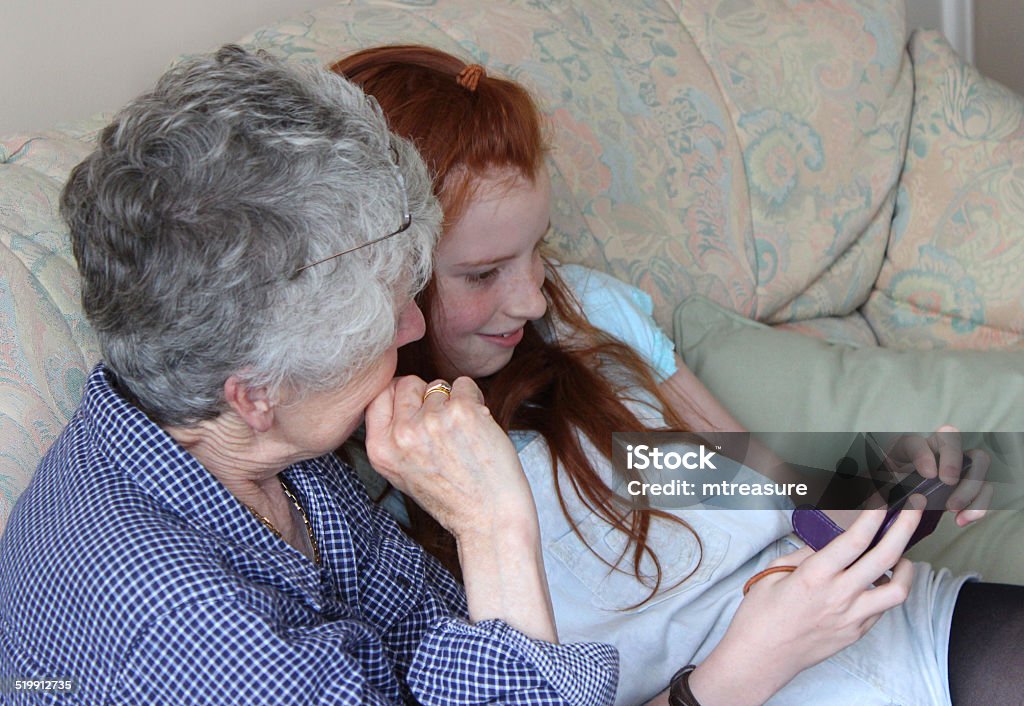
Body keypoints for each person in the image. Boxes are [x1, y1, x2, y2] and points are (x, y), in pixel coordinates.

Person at [331, 45, 1023, 706]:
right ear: (392, 278)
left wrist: (893, 486)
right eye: (483, 273)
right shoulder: (372, 486)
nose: (532, 299)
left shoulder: (582, 316)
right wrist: (747, 665)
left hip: (896, 630)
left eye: (536, 248)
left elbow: (773, 497)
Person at [0, 46, 620, 705]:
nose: (414, 328)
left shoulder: (253, 445)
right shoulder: (191, 634)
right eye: (389, 316)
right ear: (256, 393)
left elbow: (425, 628)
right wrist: (493, 527)